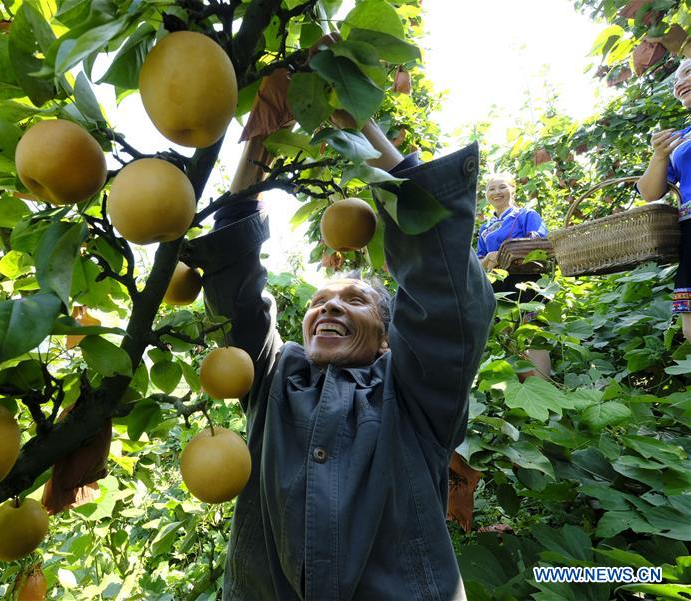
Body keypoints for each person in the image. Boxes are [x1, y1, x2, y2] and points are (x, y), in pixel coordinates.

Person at [181, 106, 496, 599]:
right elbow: (234, 293)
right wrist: (261, 138)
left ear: (389, 336)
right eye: (318, 302)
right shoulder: (276, 374)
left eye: (354, 300)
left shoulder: (413, 391)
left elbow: (445, 291)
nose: (330, 307)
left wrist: (360, 122)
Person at [475, 174, 552, 379]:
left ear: (513, 190)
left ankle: (543, 385)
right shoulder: (485, 228)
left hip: (526, 282)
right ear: (486, 195)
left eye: (502, 187)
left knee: (532, 330)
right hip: (498, 286)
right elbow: (478, 262)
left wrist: (501, 254)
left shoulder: (526, 215)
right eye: (491, 189)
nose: (497, 192)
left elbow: (538, 243)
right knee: (508, 334)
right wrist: (489, 259)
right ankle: (528, 386)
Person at [636, 57, 691, 343]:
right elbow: (649, 193)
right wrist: (658, 155)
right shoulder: (680, 138)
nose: (679, 82)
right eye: (676, 79)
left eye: (688, 72)